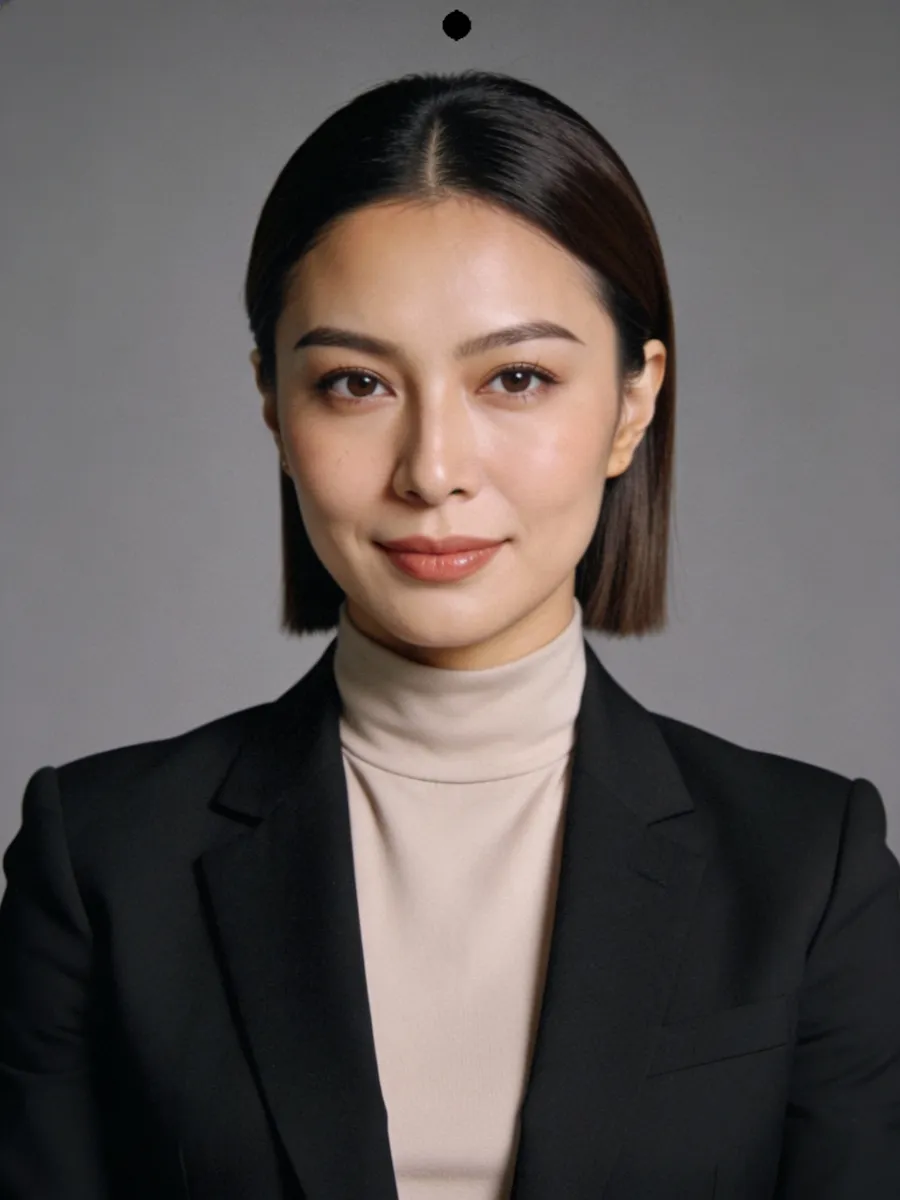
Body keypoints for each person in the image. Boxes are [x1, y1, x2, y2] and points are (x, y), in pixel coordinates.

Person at [1, 69, 899, 1200]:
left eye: (516, 377)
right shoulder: (102, 863)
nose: (433, 471)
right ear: (275, 408)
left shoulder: (809, 869)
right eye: (356, 383)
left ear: (632, 403)